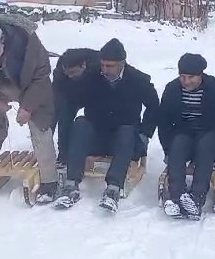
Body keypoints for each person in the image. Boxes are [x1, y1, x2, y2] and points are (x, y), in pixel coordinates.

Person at [0, 14, 59, 204]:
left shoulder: (27, 41)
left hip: (29, 86)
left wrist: (28, 107)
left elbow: (41, 76)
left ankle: (49, 181)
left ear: (2, 40)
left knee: (41, 128)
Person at [53, 39, 160, 213]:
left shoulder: (138, 80)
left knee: (127, 130)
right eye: (102, 65)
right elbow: (70, 104)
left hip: (123, 140)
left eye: (110, 66)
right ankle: (71, 184)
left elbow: (154, 107)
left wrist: (144, 134)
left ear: (122, 64)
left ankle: (113, 188)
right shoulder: (92, 77)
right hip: (97, 135)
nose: (105, 70)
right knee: (80, 123)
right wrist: (64, 146)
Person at [158, 53, 215, 219]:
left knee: (206, 146)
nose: (186, 81)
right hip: (185, 132)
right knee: (178, 143)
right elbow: (164, 123)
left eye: (191, 77)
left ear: (201, 75)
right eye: (182, 77)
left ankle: (196, 197)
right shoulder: (173, 89)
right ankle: (177, 196)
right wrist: (169, 150)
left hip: (210, 133)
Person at [52, 48, 101, 166]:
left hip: (96, 93)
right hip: (71, 95)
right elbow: (56, 98)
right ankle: (63, 154)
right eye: (67, 73)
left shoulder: (99, 65)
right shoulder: (60, 72)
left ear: (83, 65)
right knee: (63, 116)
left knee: (94, 120)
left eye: (73, 72)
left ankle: (96, 149)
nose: (69, 75)